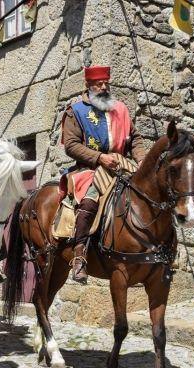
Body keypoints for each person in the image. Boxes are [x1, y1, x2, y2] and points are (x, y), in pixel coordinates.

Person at [61, 65, 146, 284]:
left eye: (106, 83)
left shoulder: (120, 109)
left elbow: (134, 138)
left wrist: (142, 159)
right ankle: (79, 255)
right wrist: (99, 158)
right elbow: (71, 145)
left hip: (122, 164)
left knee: (149, 191)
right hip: (91, 168)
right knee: (90, 201)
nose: (104, 87)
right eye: (99, 84)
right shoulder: (76, 111)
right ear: (88, 85)